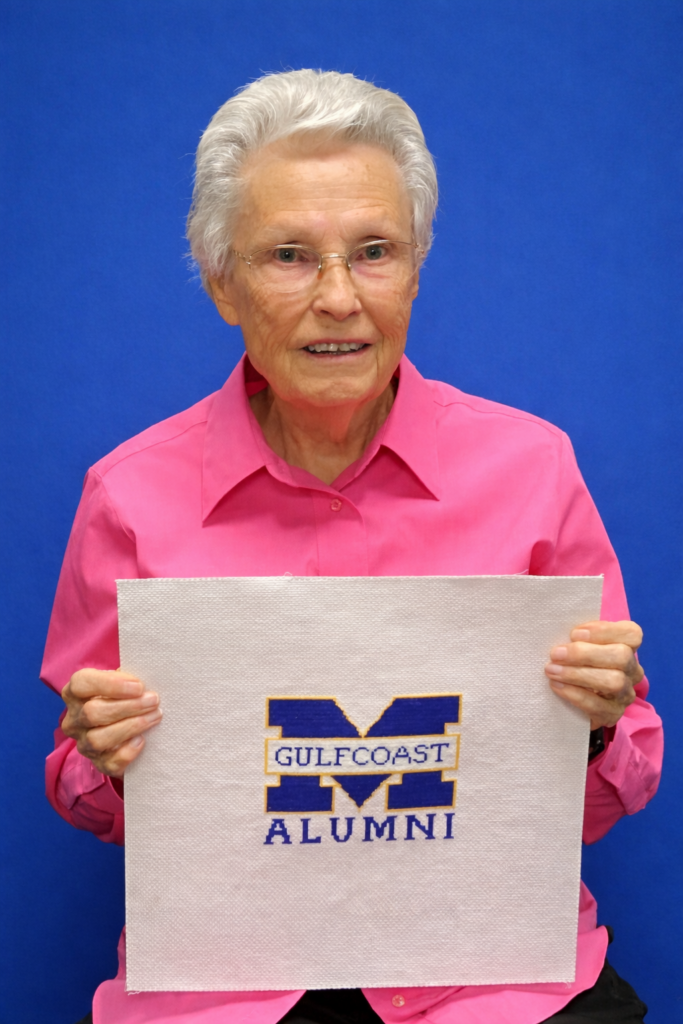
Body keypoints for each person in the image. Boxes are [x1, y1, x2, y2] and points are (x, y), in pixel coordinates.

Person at [42, 70, 662, 1024]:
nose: (338, 297)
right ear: (222, 284)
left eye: (373, 252)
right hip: (228, 988)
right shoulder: (127, 496)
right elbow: (88, 801)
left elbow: (620, 784)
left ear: (415, 268)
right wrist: (106, 757)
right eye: (289, 256)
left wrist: (588, 726)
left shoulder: (532, 469)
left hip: (495, 983)